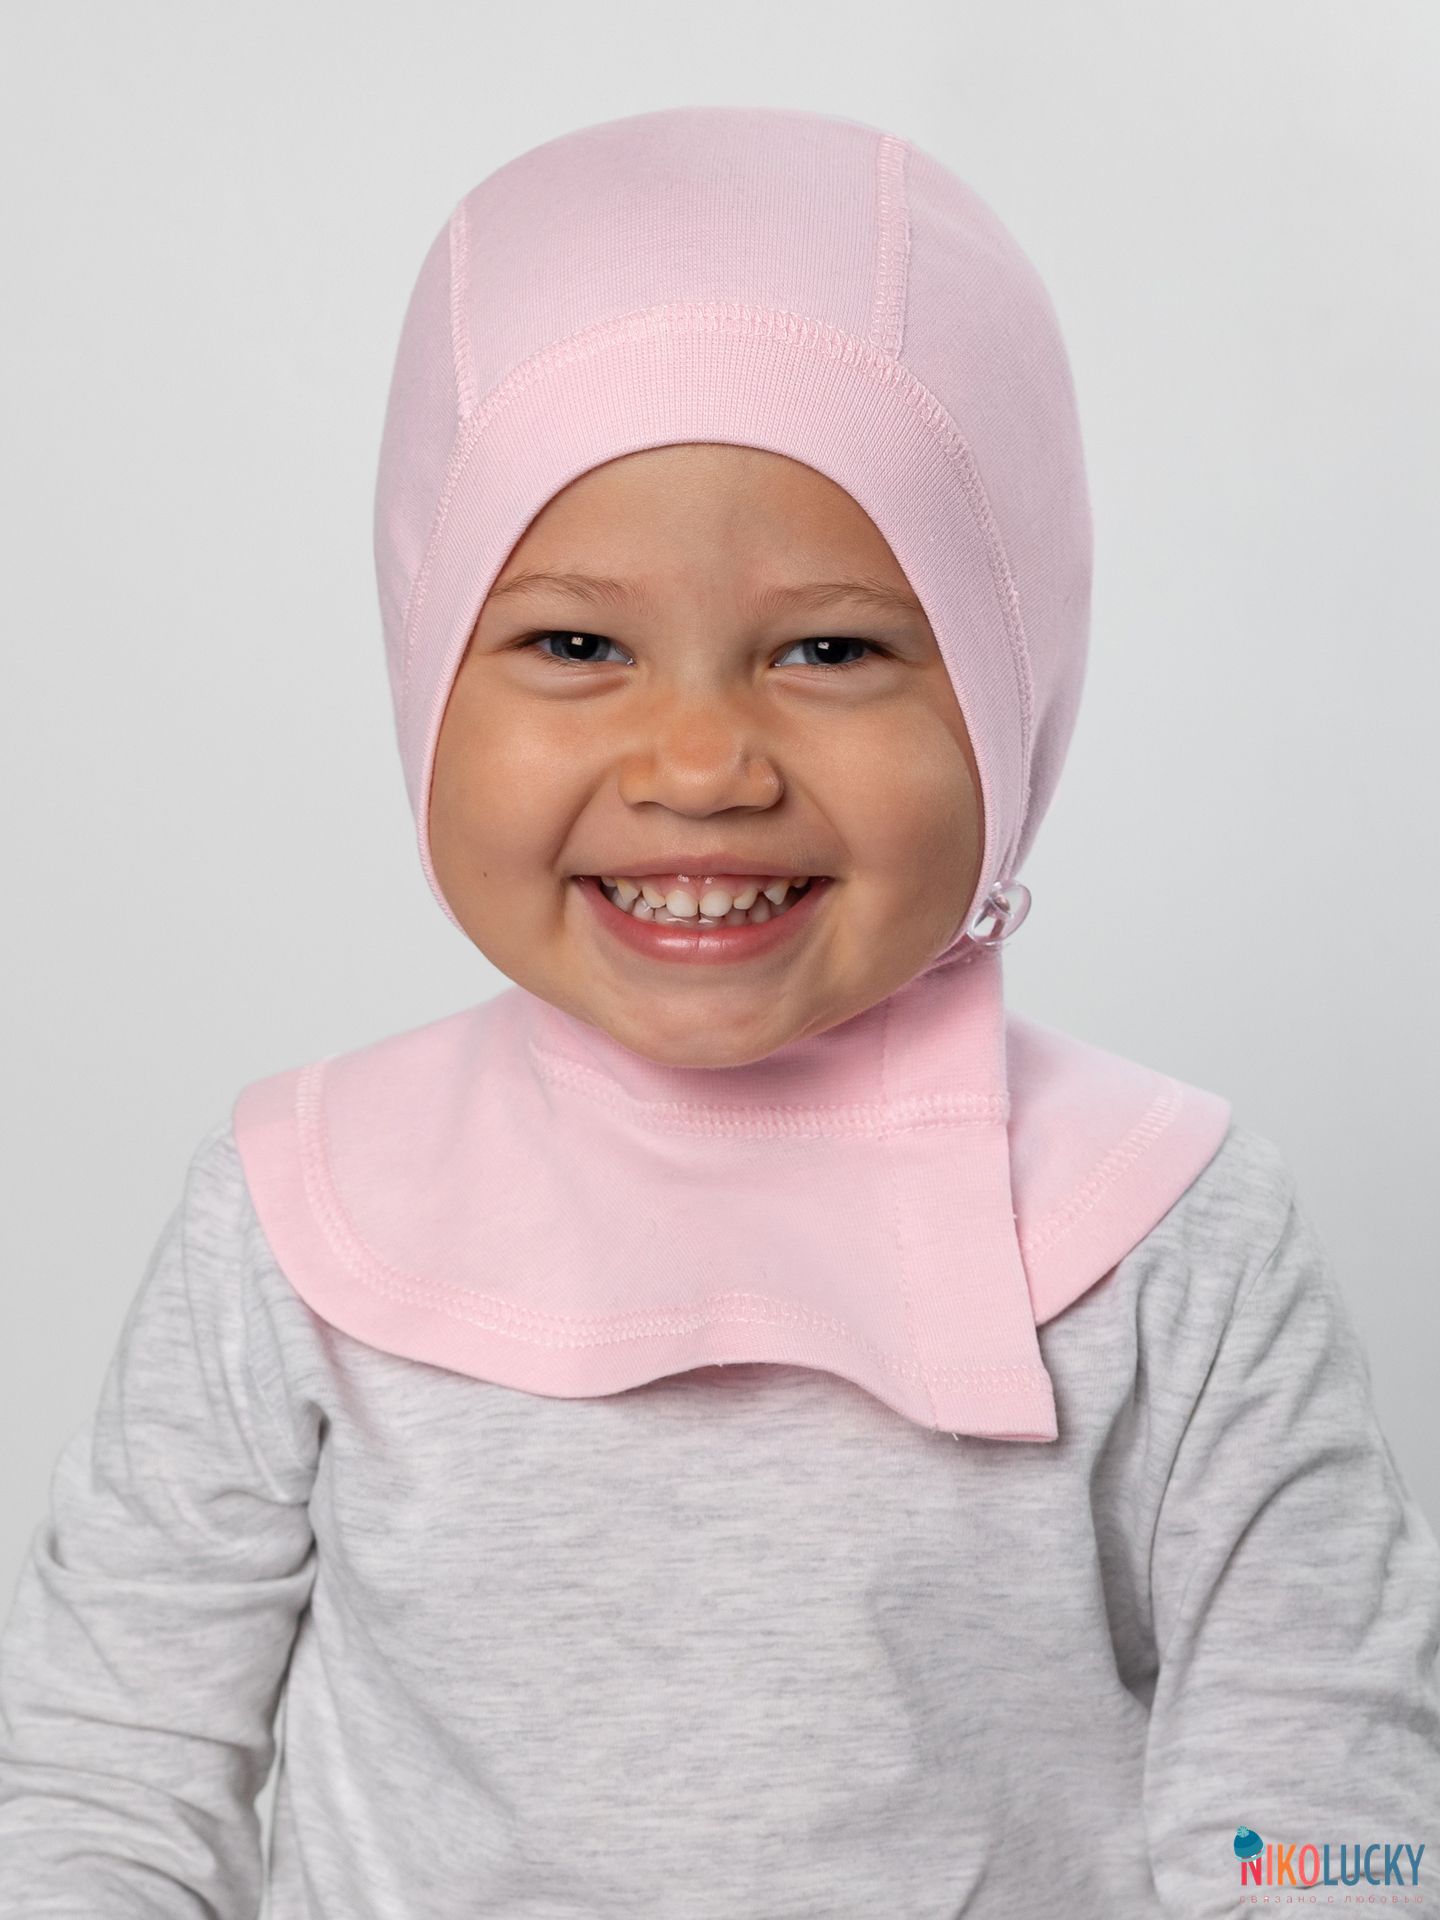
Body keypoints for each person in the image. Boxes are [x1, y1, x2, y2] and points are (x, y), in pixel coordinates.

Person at [0, 104, 1436, 1920]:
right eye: (575, 645)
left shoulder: (1171, 1228)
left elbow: (1328, 1817)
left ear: (1007, 687)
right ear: (427, 664)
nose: (699, 765)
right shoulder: (300, 1213)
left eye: (831, 648)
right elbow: (108, 1775)